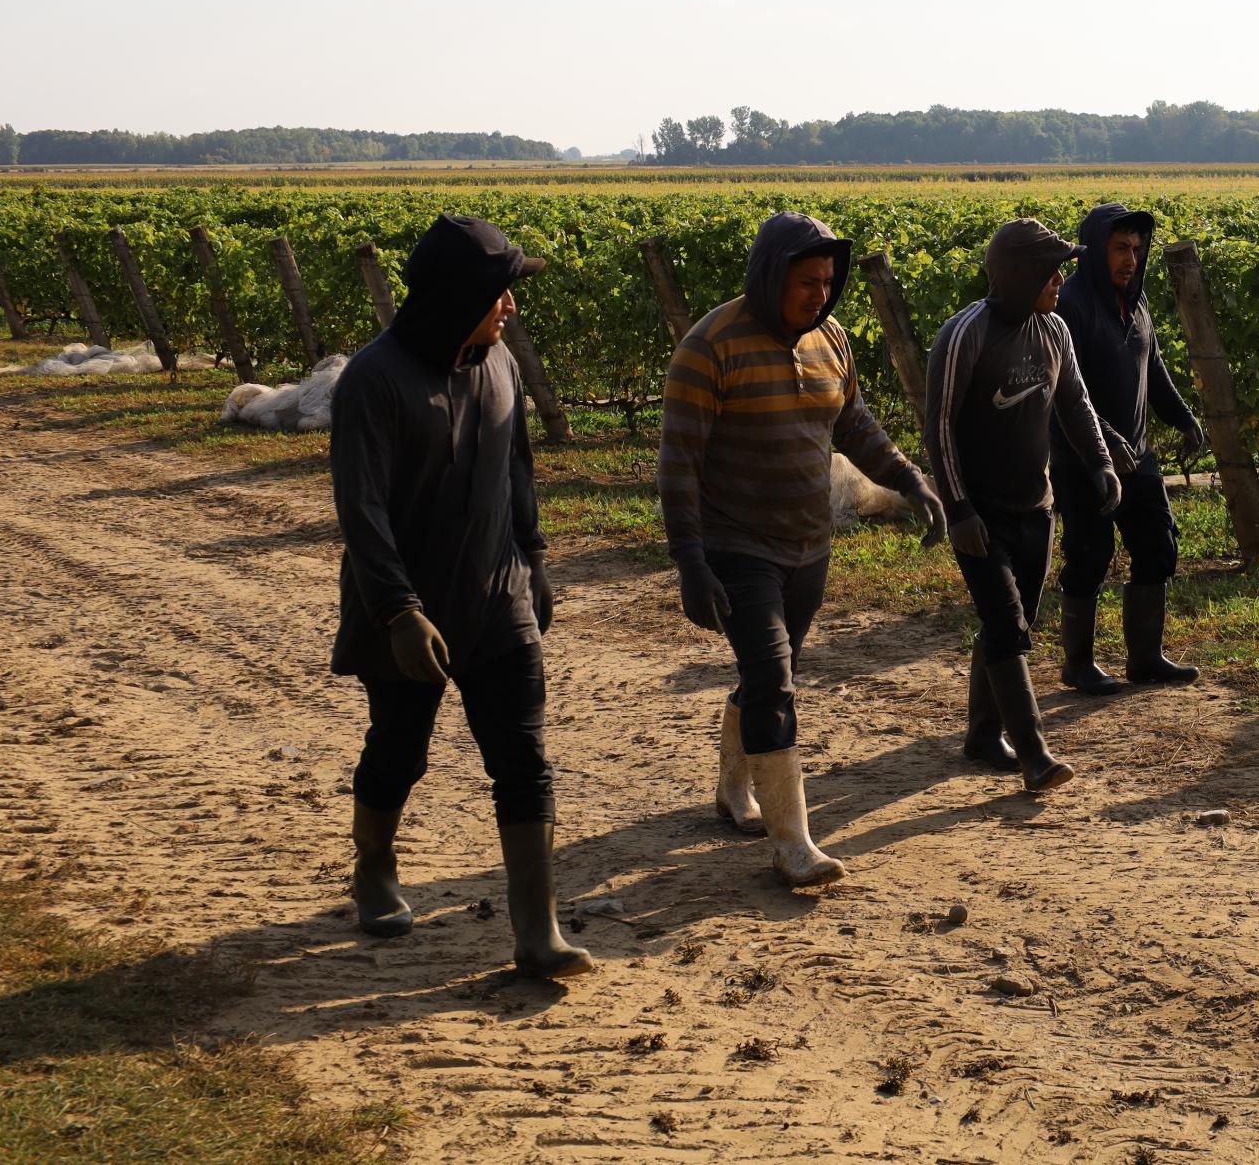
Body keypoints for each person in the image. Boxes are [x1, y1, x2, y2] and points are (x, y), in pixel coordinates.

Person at [330, 213, 591, 981]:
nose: (511, 307)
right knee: (399, 750)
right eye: (500, 293)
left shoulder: (500, 363)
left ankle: (537, 928)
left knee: (524, 756)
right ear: (456, 296)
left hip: (495, 590)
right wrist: (398, 611)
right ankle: (374, 863)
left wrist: (535, 558)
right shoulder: (372, 382)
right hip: (405, 607)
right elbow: (362, 511)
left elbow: (517, 469)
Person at [659, 211, 947, 887]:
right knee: (773, 678)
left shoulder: (831, 339)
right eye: (806, 281)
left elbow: (852, 420)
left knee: (767, 673)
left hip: (808, 546)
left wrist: (909, 479)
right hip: (738, 545)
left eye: (827, 281)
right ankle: (793, 843)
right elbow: (678, 466)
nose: (820, 294)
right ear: (768, 276)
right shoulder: (710, 347)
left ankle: (734, 791)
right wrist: (691, 562)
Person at [925, 218, 1122, 791]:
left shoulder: (1054, 330)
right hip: (980, 513)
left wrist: (1101, 463)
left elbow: (1076, 402)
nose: (1061, 280)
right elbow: (937, 429)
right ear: (1019, 275)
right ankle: (1035, 755)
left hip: (1036, 507)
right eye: (1050, 270)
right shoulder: (967, 333)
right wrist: (958, 509)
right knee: (1008, 624)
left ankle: (983, 733)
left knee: (1012, 620)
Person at [1051, 203, 1206, 693]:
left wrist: (1183, 417)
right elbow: (1061, 391)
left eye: (1137, 249)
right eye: (1120, 248)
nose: (1131, 259)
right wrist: (1104, 442)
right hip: (1082, 461)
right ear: (1096, 250)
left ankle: (1146, 658)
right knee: (1089, 555)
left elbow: (1153, 370)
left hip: (1136, 457)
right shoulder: (1069, 304)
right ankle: (1078, 664)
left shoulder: (1134, 302)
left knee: (1157, 547)